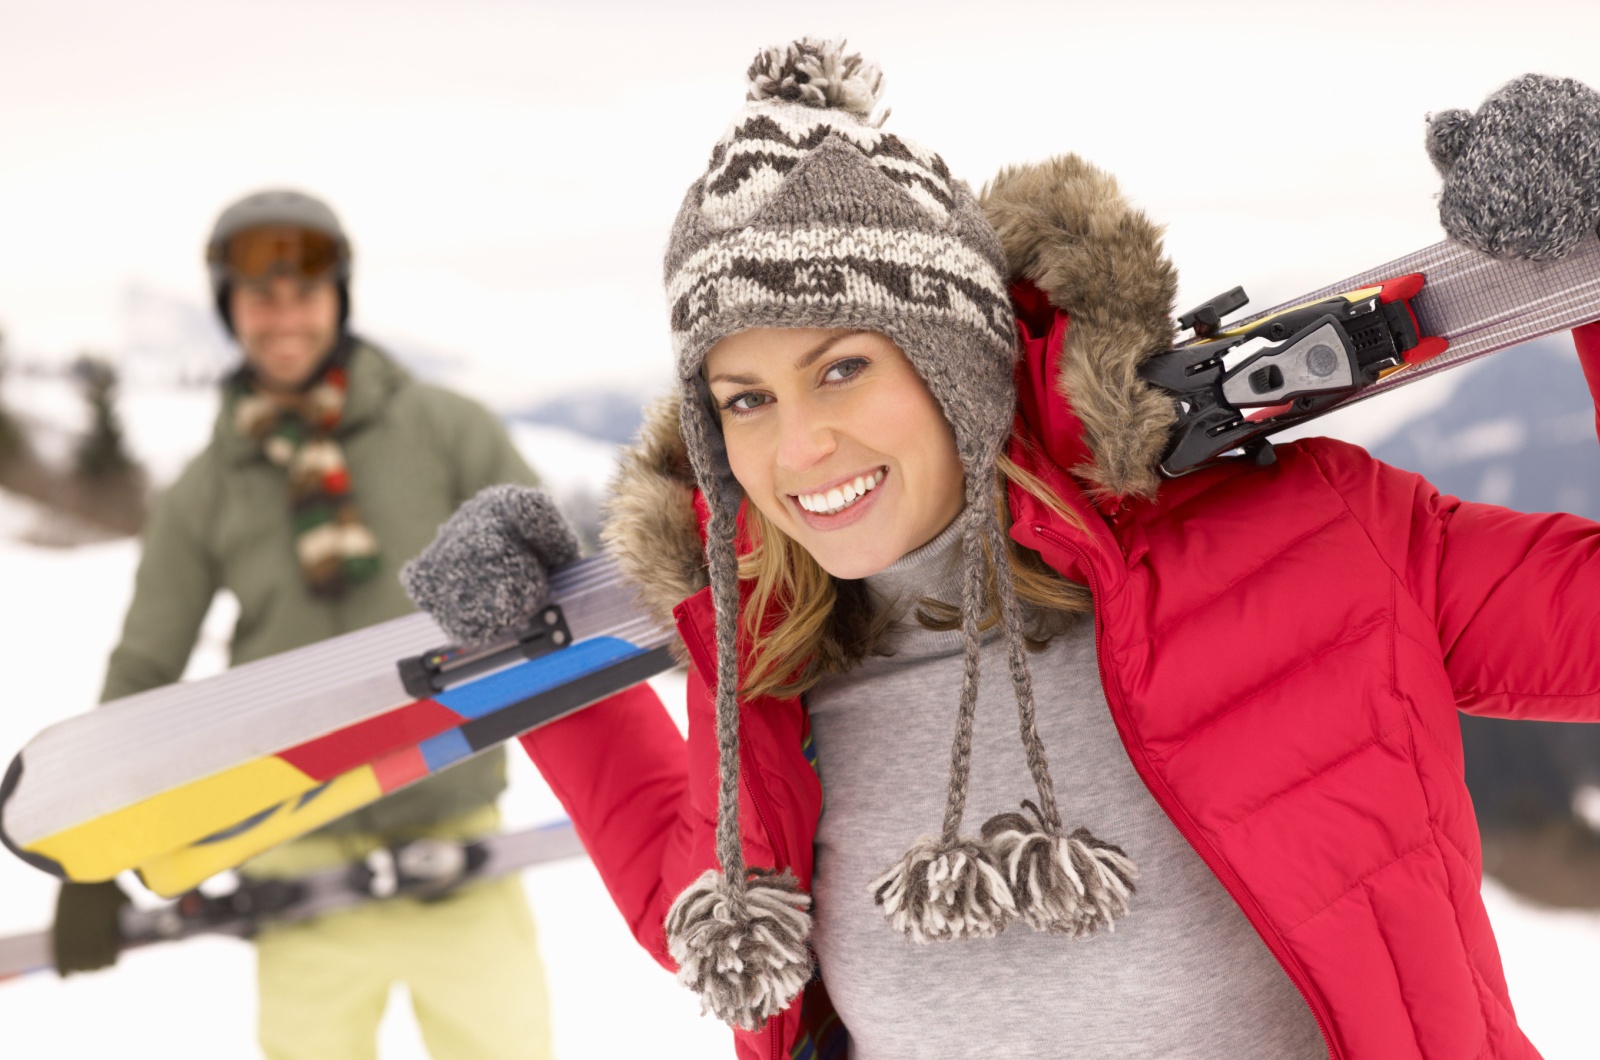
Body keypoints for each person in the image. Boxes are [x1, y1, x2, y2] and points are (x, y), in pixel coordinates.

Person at [402, 42, 1600, 1059]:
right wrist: (529, 660)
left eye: (841, 368)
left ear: (957, 367)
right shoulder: (776, 666)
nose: (801, 444)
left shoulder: (1305, 544)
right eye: (744, 399)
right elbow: (705, 895)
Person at [53, 189, 554, 1060]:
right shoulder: (208, 488)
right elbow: (144, 666)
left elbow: (562, 578)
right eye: (258, 296)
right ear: (229, 309)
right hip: (294, 863)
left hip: (459, 848)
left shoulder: (443, 431)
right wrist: (94, 845)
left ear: (339, 297)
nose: (283, 315)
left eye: (304, 291)